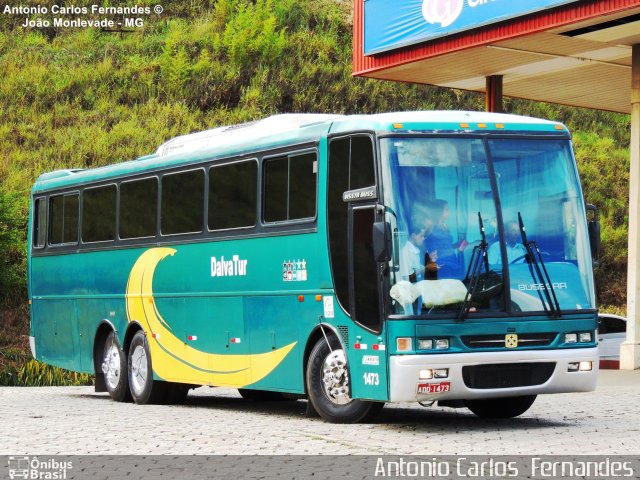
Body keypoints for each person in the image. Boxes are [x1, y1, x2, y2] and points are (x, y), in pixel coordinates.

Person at [424, 199, 462, 278]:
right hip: (442, 265)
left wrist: (457, 245)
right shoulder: (432, 227)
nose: (449, 212)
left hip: (452, 262)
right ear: (439, 211)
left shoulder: (445, 226)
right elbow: (430, 247)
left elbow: (445, 245)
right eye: (446, 209)